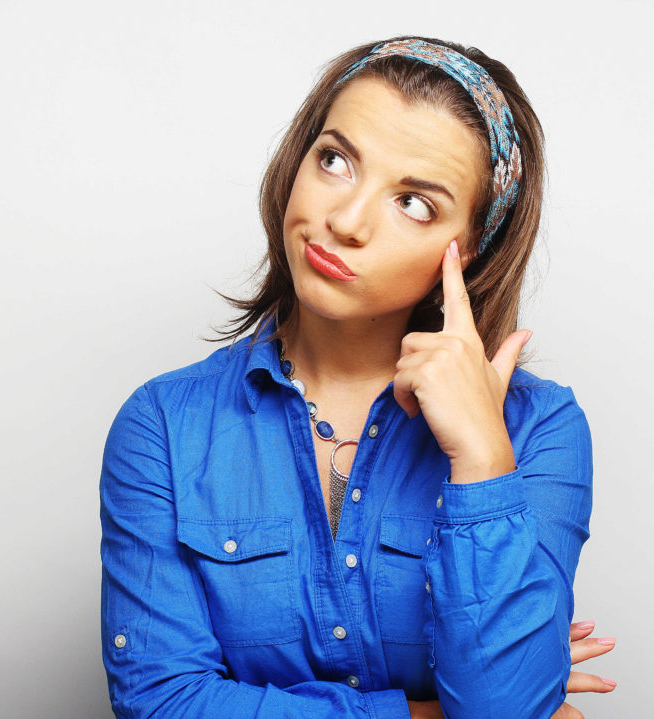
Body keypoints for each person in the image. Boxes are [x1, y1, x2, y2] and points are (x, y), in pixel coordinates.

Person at [98, 36, 616, 719]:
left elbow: (507, 708)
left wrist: (483, 458)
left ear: (474, 246)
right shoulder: (164, 425)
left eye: (414, 203)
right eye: (335, 160)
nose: (344, 221)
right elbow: (161, 704)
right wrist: (426, 714)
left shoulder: (539, 432)